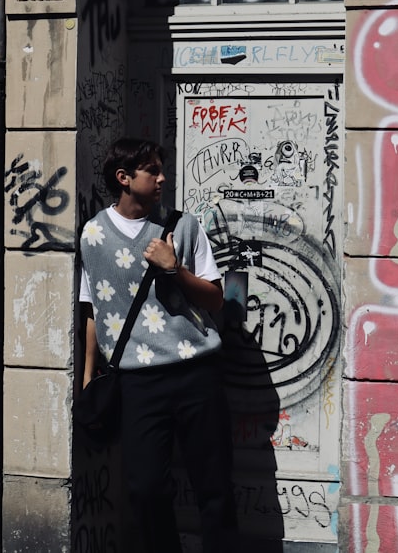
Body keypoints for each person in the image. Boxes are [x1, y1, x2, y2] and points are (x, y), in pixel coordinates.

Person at [78, 137, 238, 553]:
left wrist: (175, 270)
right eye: (152, 170)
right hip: (138, 381)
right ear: (124, 179)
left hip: (195, 370)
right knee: (145, 489)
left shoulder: (182, 225)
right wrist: (88, 376)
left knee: (215, 488)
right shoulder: (94, 234)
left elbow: (216, 299)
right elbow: (94, 308)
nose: (163, 177)